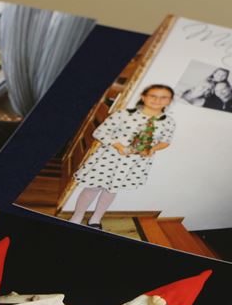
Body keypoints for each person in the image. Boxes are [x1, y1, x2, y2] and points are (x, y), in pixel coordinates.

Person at [69, 85, 176, 229]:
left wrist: (152, 149)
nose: (158, 100)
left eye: (163, 97)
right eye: (153, 96)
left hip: (134, 162)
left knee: (112, 190)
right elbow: (99, 132)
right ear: (143, 97)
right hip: (109, 158)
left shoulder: (168, 122)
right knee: (92, 187)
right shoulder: (124, 114)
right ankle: (77, 216)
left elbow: (165, 142)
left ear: (170, 100)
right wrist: (118, 146)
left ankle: (96, 219)